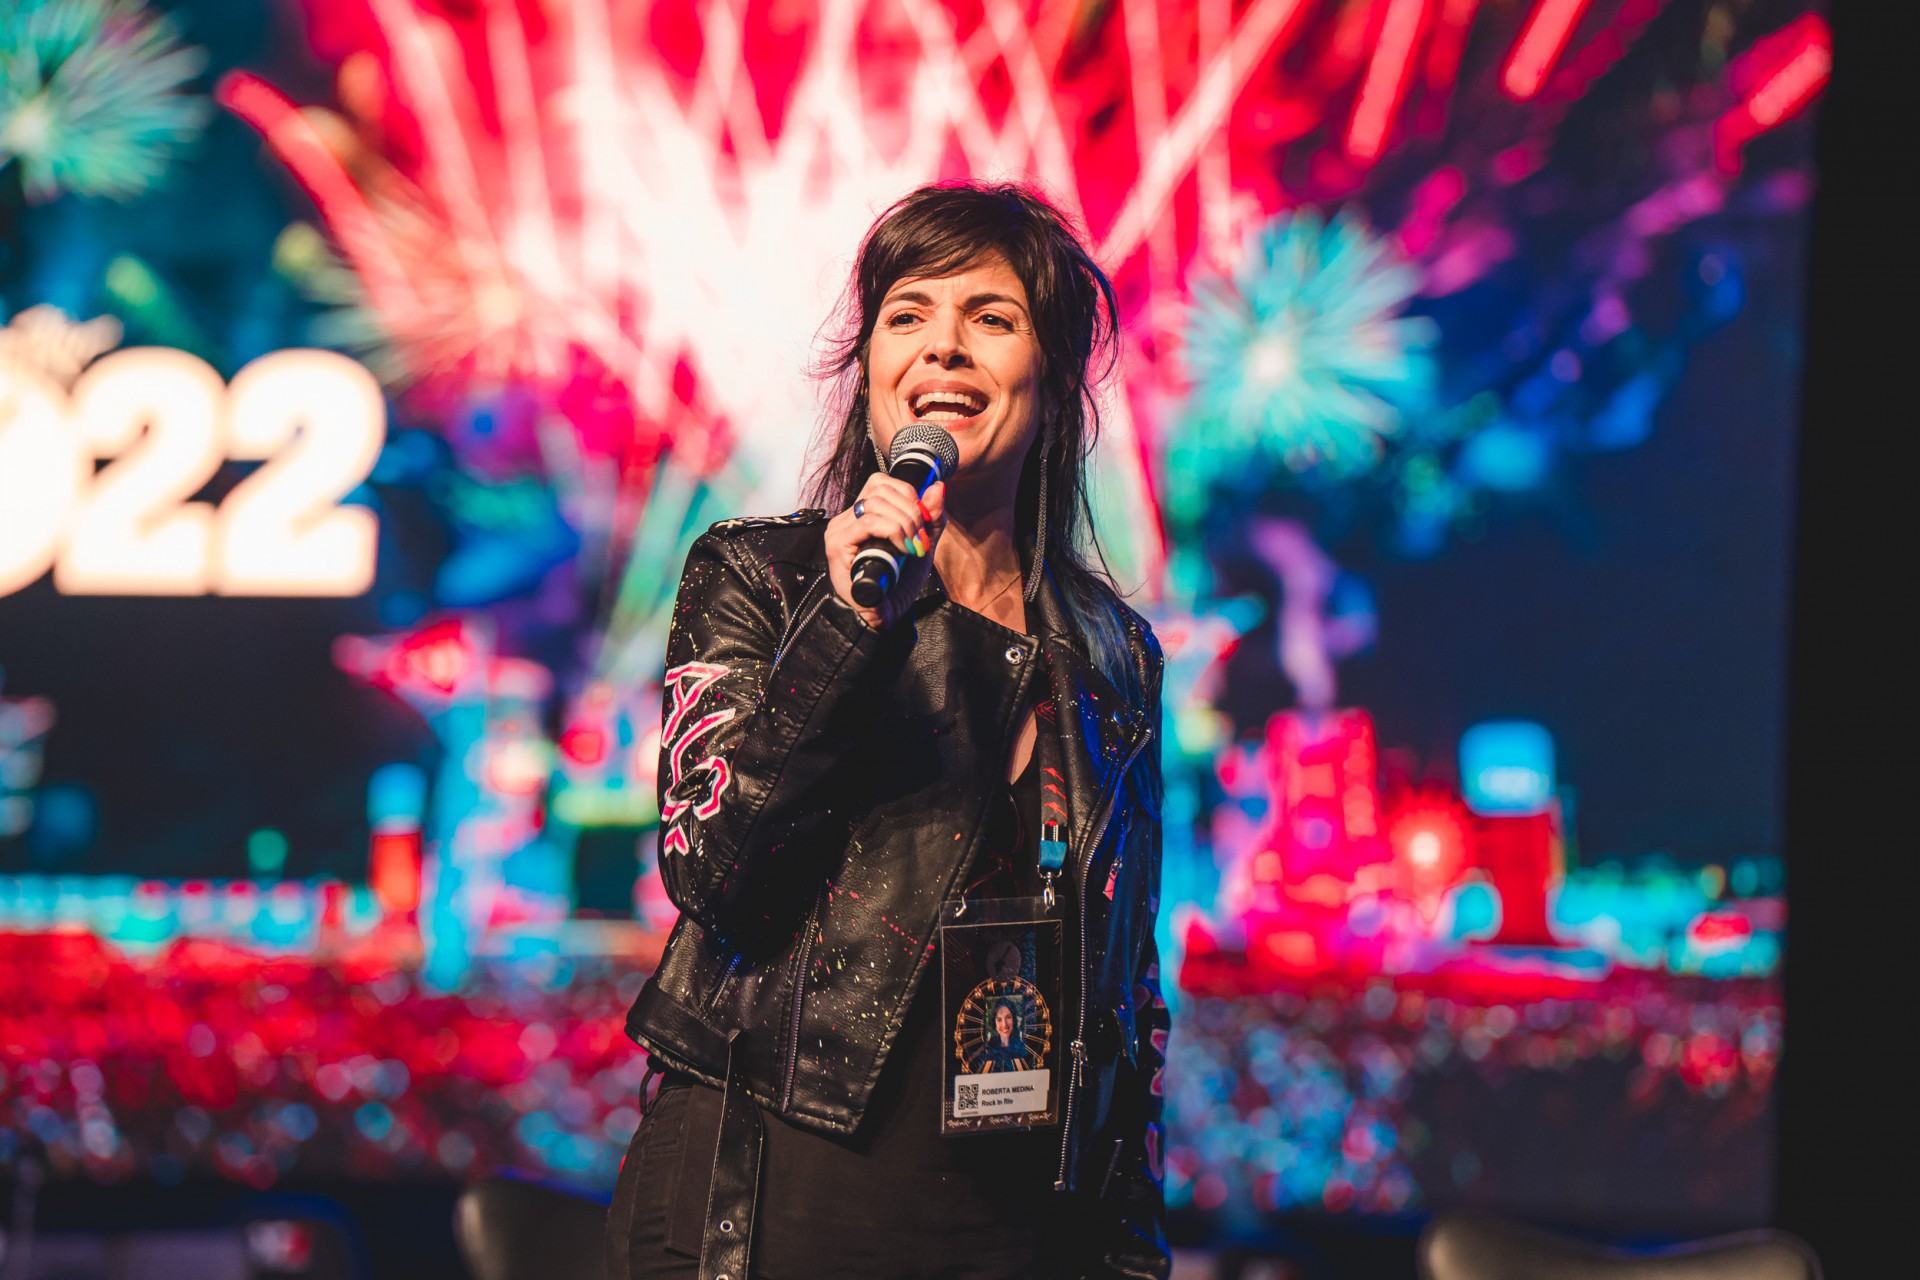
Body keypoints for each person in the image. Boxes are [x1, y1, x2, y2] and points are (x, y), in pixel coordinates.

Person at [605, 182, 1168, 1280]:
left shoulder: (1112, 652)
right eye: (908, 315)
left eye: (991, 317)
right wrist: (850, 627)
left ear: (1054, 377)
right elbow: (718, 870)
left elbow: (1126, 991)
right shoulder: (762, 579)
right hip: (773, 1202)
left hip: (1019, 1227)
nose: (943, 346)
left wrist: (1127, 1248)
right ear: (869, 371)